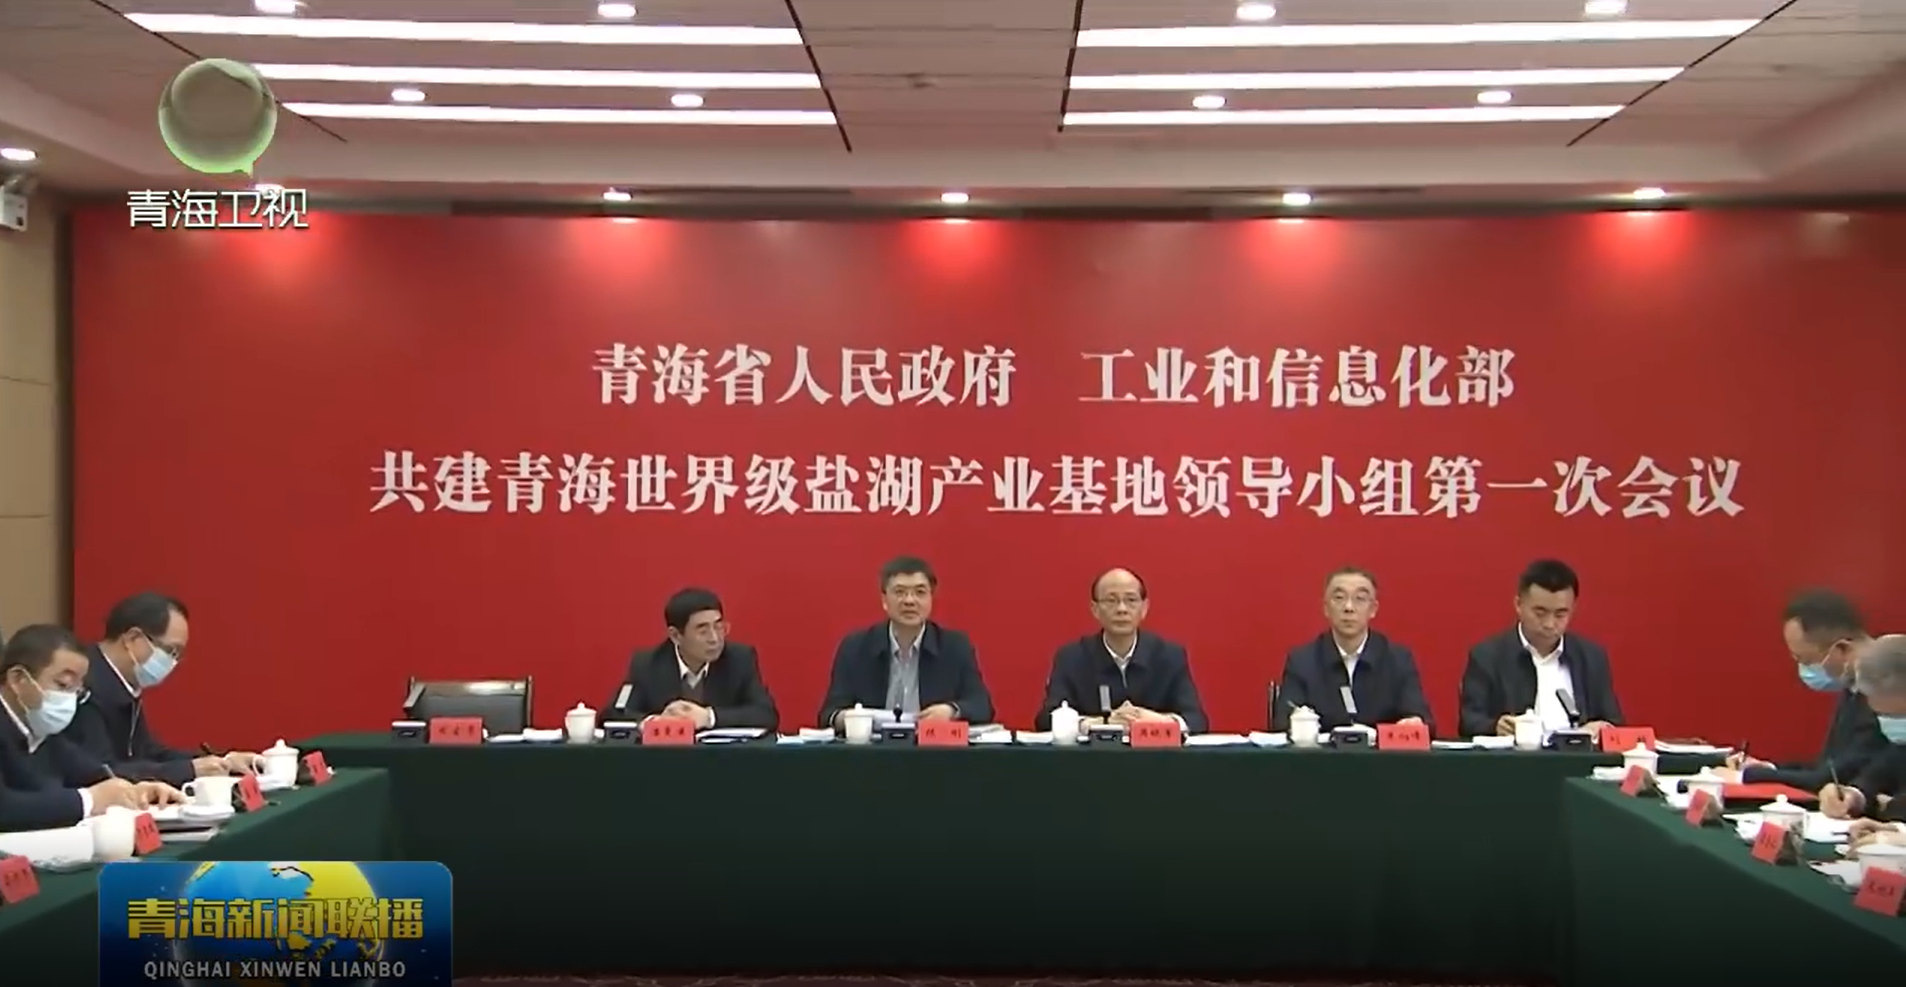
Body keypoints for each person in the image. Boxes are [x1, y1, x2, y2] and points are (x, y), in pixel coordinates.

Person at [66, 592, 264, 786]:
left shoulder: (121, 682)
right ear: (133, 639)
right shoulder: (83, 684)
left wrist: (223, 761)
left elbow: (151, 754)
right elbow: (103, 772)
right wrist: (189, 770)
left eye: (178, 655)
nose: (173, 662)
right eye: (171, 651)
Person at [0, 624, 182, 833]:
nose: (69, 699)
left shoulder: (46, 735)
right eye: (63, 685)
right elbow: (5, 808)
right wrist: (90, 800)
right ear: (18, 679)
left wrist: (134, 790)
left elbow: (93, 772)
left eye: (77, 690)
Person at [1718, 589, 1884, 786]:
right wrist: (1768, 769)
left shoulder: (1886, 691)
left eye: (1805, 659)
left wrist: (1746, 778)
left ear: (1841, 649)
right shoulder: (1852, 688)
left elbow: (1831, 779)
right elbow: (1827, 767)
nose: (1803, 668)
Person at [817, 556, 994, 728]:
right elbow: (829, 714)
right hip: (874, 746)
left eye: (920, 592)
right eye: (899, 592)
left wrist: (951, 711)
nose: (909, 601)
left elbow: (982, 706)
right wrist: (850, 719)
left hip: (932, 745)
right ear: (884, 600)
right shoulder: (855, 648)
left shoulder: (955, 647)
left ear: (931, 599)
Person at [1457, 559, 1623, 739]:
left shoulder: (1591, 657)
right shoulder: (1488, 656)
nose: (1549, 624)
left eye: (1560, 614)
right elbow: (1469, 722)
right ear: (1518, 605)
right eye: (1540, 613)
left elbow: (1614, 722)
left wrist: (1602, 728)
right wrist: (1495, 727)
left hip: (1577, 754)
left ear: (1573, 609)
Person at [1035, 568, 1209, 733]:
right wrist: (1102, 723)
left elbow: (1196, 720)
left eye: (1131, 600)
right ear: (1095, 609)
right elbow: (1046, 720)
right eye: (1111, 600)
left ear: (1144, 608)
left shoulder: (1169, 657)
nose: (1121, 609)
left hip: (1154, 754)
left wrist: (1155, 721)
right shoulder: (1071, 658)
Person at [1272, 567, 1432, 733]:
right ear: (1326, 608)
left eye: (1360, 599)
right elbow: (1283, 724)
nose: (1349, 607)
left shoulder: (1397, 660)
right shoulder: (1302, 661)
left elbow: (1420, 717)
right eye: (1339, 598)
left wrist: (1413, 722)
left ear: (1373, 609)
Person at [608, 587, 778, 730]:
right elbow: (614, 713)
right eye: (703, 631)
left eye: (719, 627)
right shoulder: (647, 664)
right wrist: (654, 722)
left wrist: (708, 717)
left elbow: (766, 714)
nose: (714, 639)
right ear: (675, 636)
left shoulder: (740, 659)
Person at [1821, 634, 1906, 822]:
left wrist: (1896, 823)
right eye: (1881, 715)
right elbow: (1878, 775)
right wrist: (1852, 796)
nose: (1889, 724)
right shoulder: (1900, 746)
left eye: (1897, 716)